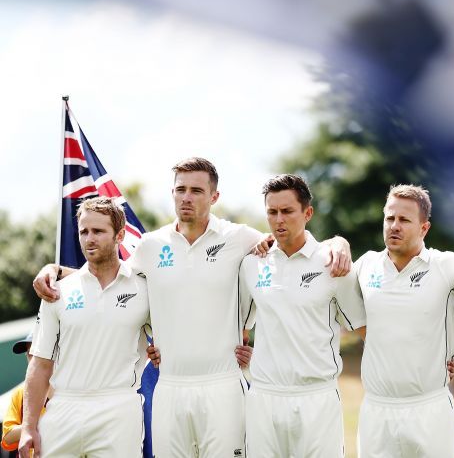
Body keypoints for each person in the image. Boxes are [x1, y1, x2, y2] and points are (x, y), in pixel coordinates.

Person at [33, 157, 352, 457]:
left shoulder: (240, 238)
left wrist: (337, 242)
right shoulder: (149, 246)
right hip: (169, 388)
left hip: (224, 386)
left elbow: (291, 240)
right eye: (180, 189)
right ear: (172, 193)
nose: (187, 197)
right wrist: (57, 271)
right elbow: (109, 278)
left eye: (197, 190)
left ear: (214, 196)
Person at [239, 174, 366, 457]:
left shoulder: (334, 263)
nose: (278, 220)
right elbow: (238, 325)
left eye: (287, 211)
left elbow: (365, 329)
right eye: (272, 212)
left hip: (316, 398)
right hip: (263, 397)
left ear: (307, 213)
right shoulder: (251, 264)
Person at [19, 197, 151, 457]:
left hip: (119, 408)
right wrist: (28, 426)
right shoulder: (57, 290)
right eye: (84, 231)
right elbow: (41, 362)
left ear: (120, 235)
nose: (89, 239)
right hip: (64, 408)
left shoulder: (144, 288)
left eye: (99, 231)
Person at [348, 184, 454, 458]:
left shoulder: (448, 265)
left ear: (424, 228)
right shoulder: (365, 266)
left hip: (430, 407)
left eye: (404, 220)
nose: (394, 226)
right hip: (377, 410)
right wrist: (337, 242)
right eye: (389, 218)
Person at [2, 333, 48, 456]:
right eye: (28, 354)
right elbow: (7, 436)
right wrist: (30, 428)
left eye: (36, 352)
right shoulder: (21, 392)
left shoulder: (66, 388)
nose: (31, 358)